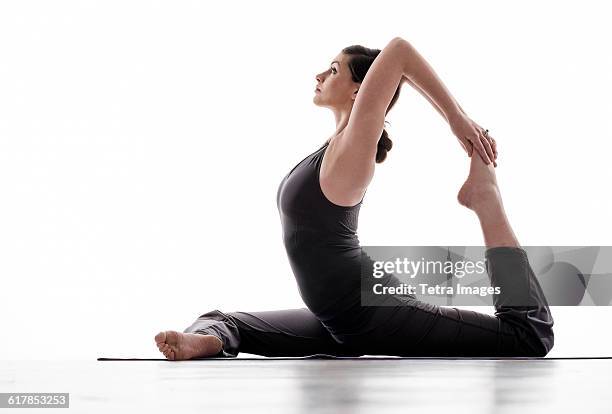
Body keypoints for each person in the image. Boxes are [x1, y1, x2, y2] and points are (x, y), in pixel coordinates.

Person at [154, 37, 554, 360]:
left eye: (333, 70)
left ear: (361, 89)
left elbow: (399, 51)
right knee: (225, 321)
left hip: (376, 312)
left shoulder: (354, 146)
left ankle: (486, 200)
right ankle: (207, 342)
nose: (319, 74)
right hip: (339, 321)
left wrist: (455, 118)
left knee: (527, 336)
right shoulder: (331, 149)